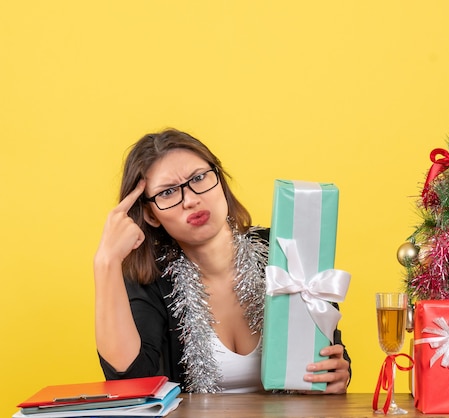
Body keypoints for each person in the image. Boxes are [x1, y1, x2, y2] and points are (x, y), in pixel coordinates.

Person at [94, 128, 351, 394]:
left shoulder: (285, 250)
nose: (191, 200)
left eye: (199, 178)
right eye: (168, 193)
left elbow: (330, 351)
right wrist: (106, 262)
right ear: (150, 214)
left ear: (220, 178)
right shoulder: (152, 281)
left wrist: (337, 374)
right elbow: (131, 382)